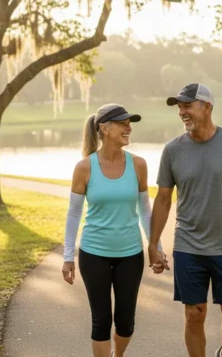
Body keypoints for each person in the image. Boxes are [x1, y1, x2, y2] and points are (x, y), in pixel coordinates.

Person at [147, 83, 222, 357]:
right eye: (179, 107)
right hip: (189, 246)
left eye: (187, 105)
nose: (182, 112)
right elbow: (163, 199)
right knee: (194, 313)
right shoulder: (172, 150)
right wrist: (153, 244)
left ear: (207, 107)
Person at [61, 104, 163, 357]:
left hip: (130, 254)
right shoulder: (84, 167)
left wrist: (156, 248)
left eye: (130, 123)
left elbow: (145, 210)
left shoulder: (138, 164)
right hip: (93, 253)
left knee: (126, 322)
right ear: (103, 129)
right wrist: (67, 256)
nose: (129, 128)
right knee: (101, 320)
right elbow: (74, 213)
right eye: (122, 123)